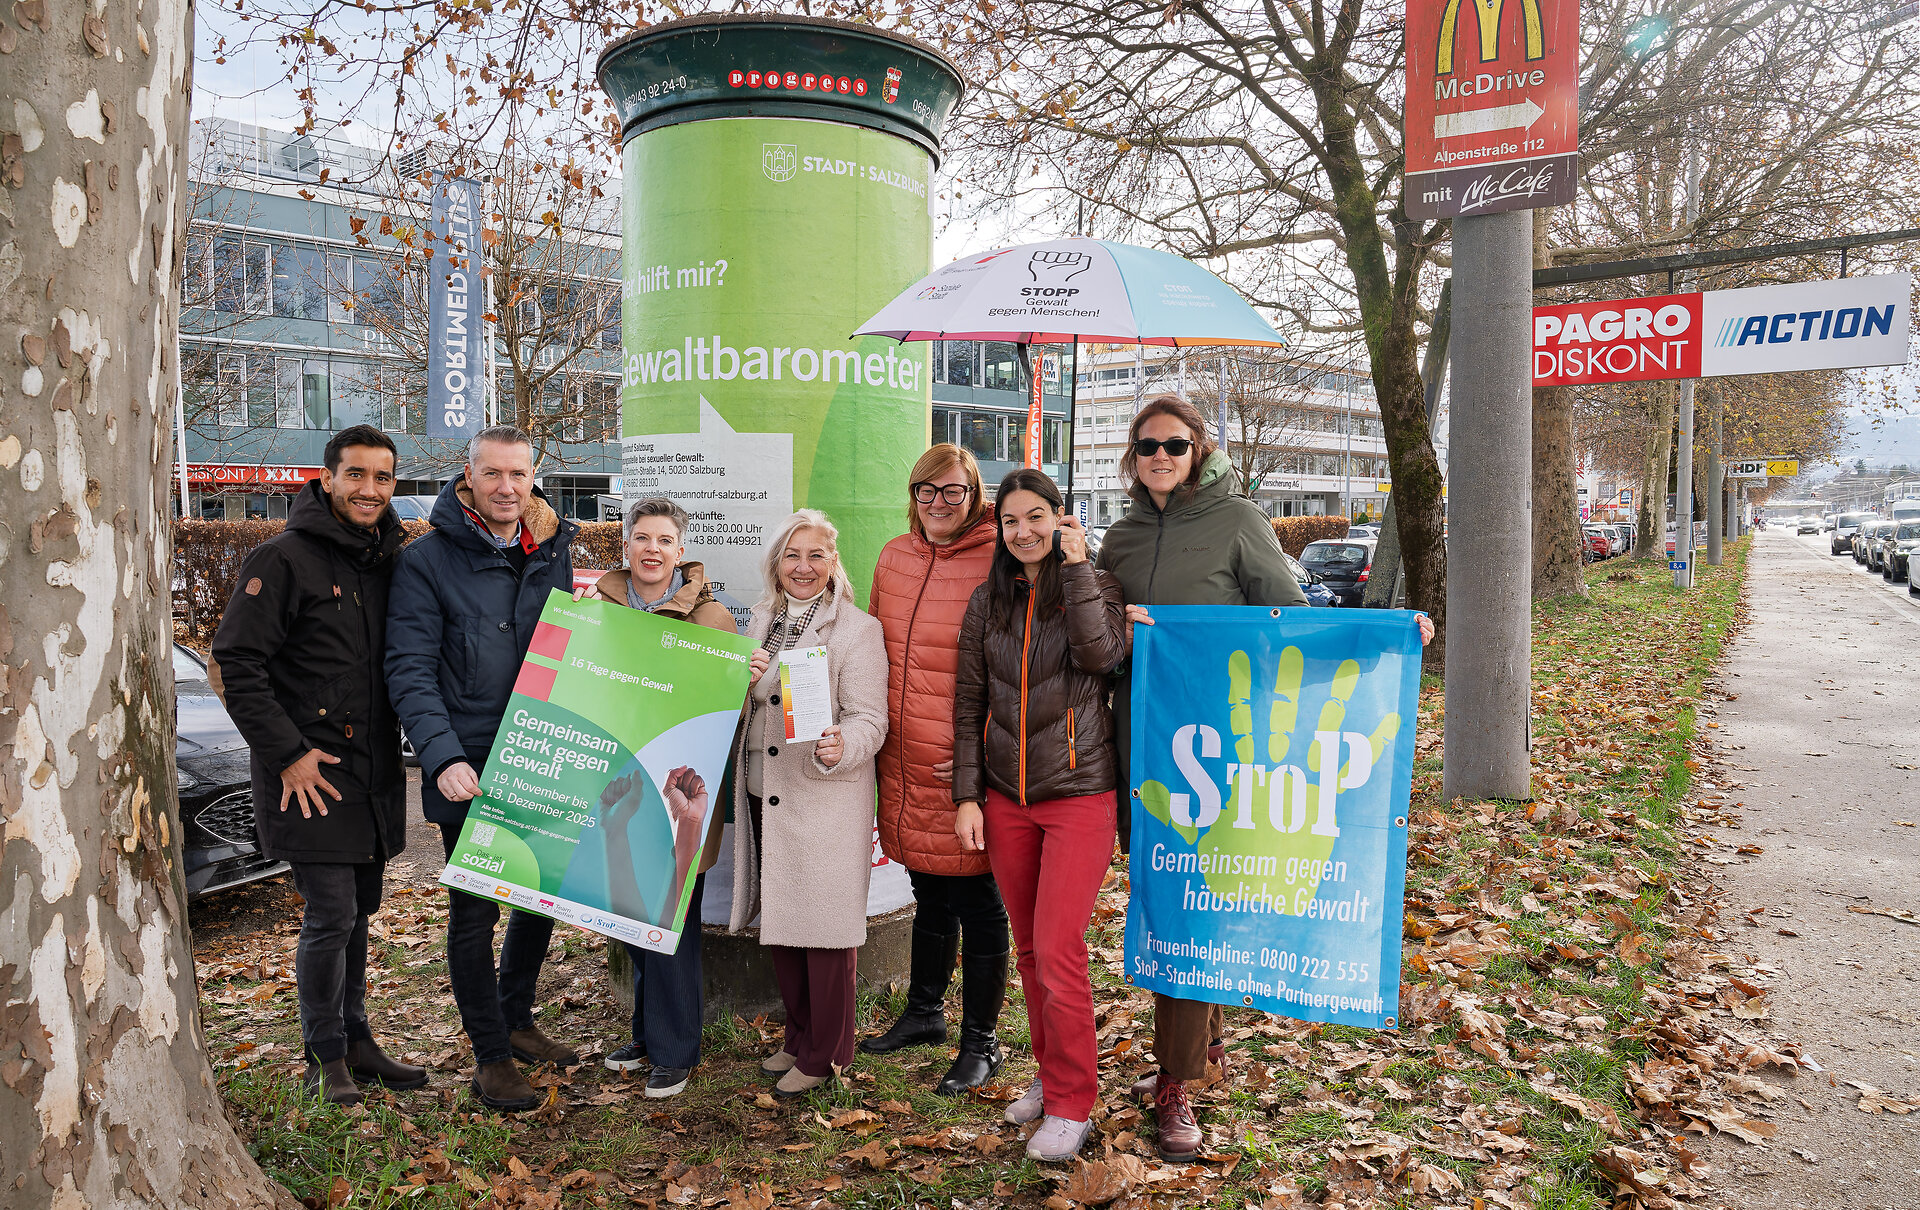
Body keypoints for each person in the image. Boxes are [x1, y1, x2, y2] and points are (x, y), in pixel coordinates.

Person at [1097, 395, 1432, 1160]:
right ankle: (1205, 1051)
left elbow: (1290, 617)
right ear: (1132, 453)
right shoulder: (1116, 536)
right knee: (1181, 895)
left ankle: (1177, 1083)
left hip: (1223, 751)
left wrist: (1382, 637)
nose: (1159, 456)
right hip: (1144, 746)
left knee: (1187, 903)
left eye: (1174, 445)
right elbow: (1094, 636)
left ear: (1198, 449)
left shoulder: (1240, 518)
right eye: (1146, 445)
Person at [208, 425, 426, 1107]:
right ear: (328, 477)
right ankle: (322, 1054)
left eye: (383, 478)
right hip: (309, 777)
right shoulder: (282, 559)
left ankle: (357, 1039)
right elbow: (237, 664)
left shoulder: (388, 559)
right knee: (330, 912)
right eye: (356, 476)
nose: (369, 490)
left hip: (373, 773)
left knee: (360, 910)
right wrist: (288, 756)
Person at [386, 425, 581, 1112]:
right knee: (475, 916)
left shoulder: (554, 548)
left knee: (535, 899)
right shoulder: (427, 561)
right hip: (468, 765)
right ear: (467, 477)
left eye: (518, 475)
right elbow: (409, 670)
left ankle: (518, 1017)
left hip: (540, 756)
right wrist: (441, 758)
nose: (506, 488)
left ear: (533, 478)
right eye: (492, 474)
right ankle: (491, 1057)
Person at [952, 468, 1129, 1163]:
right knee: (1028, 952)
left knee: (1058, 949)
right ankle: (1052, 1078)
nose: (1023, 531)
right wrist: (968, 795)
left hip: (1080, 794)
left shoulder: (1097, 584)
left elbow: (1103, 656)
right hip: (1006, 799)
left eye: (1037, 517)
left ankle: (1075, 1101)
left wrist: (1080, 571)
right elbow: (967, 705)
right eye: (1010, 520)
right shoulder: (986, 601)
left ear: (1061, 517)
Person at [862, 445, 1011, 1096]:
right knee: (929, 891)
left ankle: (982, 1042)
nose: (940, 504)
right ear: (913, 494)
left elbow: (1018, 667)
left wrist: (982, 748)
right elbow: (870, 645)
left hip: (963, 766)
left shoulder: (998, 560)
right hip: (905, 759)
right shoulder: (894, 556)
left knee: (980, 902)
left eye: (954, 492)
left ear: (975, 495)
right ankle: (924, 1013)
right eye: (928, 491)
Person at [578, 497, 738, 1099]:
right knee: (629, 912)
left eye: (664, 540)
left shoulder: (711, 620)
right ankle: (648, 1032)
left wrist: (738, 680)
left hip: (679, 792)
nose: (651, 549)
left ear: (680, 549)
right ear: (626, 544)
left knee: (671, 921)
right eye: (641, 537)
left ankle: (676, 1051)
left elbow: (728, 712)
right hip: (618, 779)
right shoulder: (597, 605)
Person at [727, 510, 889, 1099]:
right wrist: (737, 686)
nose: (803, 567)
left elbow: (871, 718)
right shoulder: (762, 619)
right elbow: (748, 708)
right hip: (765, 793)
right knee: (785, 925)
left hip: (822, 798)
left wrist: (842, 745)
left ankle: (827, 1054)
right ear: (776, 562)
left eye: (816, 556)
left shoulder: (856, 630)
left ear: (833, 564)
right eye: (793, 555)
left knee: (825, 933)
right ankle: (799, 1035)